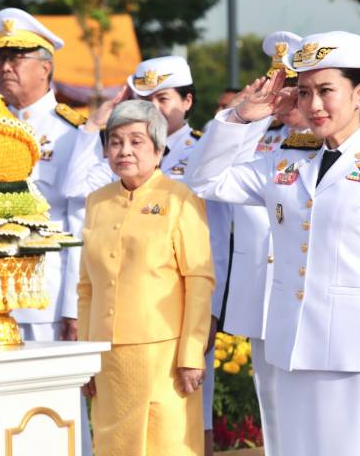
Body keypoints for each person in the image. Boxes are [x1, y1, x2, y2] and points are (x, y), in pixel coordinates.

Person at [187, 31, 360, 455]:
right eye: (305, 92)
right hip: (291, 349)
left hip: (359, 360)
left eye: (326, 91)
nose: (314, 105)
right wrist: (242, 118)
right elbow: (204, 179)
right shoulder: (286, 160)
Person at [59, 56, 231, 455]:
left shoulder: (179, 198)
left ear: (158, 148)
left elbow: (199, 280)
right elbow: (86, 287)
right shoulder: (98, 202)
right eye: (116, 142)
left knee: (166, 445)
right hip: (109, 357)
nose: (124, 151)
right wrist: (86, 354)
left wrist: (192, 354)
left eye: (136, 142)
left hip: (164, 357)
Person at [0, 7, 92, 455]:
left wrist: (71, 305)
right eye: (0, 59)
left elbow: (78, 222)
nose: (5, 67)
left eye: (18, 58)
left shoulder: (73, 133)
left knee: (54, 415)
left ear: (45, 67)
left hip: (44, 298)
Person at [216, 30, 306, 456]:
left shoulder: (332, 147)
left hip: (310, 298)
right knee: (271, 410)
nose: (283, 96)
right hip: (262, 294)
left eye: (292, 87)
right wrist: (252, 116)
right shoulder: (260, 141)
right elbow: (212, 174)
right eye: (278, 86)